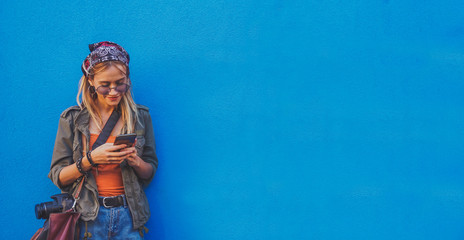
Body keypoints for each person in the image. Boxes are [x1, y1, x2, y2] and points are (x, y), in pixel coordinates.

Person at [48, 41, 158, 239]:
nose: (114, 91)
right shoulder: (72, 120)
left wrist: (136, 161)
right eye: (105, 85)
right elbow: (58, 176)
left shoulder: (141, 117)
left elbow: (150, 171)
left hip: (130, 216)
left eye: (120, 83)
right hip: (87, 218)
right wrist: (91, 159)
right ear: (91, 80)